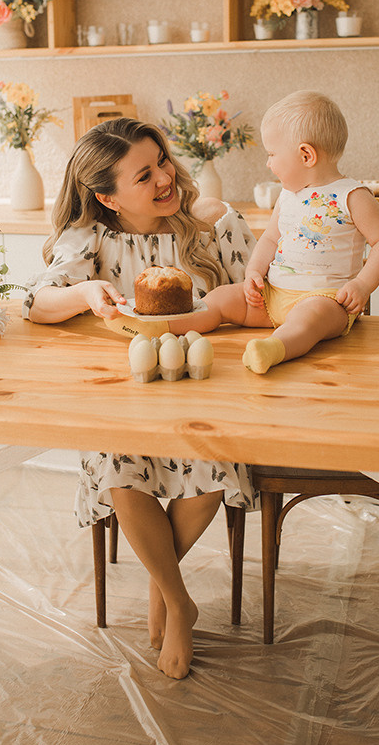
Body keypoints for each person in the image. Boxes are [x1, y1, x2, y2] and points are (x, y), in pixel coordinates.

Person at [23, 117, 256, 680]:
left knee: (215, 462)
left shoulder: (213, 223)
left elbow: (261, 297)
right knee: (117, 464)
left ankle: (161, 584)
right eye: (144, 174)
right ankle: (179, 602)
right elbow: (35, 302)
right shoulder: (91, 240)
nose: (165, 178)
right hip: (123, 399)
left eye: (163, 162)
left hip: (206, 391)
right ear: (106, 196)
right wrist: (84, 292)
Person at [168, 90, 379, 374]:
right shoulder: (288, 195)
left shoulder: (353, 195)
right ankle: (167, 328)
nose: (268, 163)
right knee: (220, 298)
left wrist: (362, 285)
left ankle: (272, 349)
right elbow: (270, 238)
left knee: (305, 322)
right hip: (271, 296)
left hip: (325, 301)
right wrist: (254, 271)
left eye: (272, 154)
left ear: (306, 155)